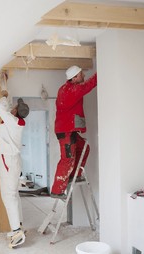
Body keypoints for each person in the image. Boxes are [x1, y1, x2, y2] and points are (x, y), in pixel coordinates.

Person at [51, 65, 97, 199]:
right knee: (67, 159)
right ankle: (57, 190)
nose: (84, 76)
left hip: (69, 130)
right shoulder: (71, 90)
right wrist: (102, 70)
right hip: (66, 132)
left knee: (84, 147)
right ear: (75, 77)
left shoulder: (66, 89)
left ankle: (74, 175)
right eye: (82, 74)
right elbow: (89, 85)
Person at [0, 89, 29, 248]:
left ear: (15, 111)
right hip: (12, 161)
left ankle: (17, 232)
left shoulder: (12, 121)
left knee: (8, 195)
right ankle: (19, 226)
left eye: (14, 107)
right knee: (13, 194)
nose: (12, 107)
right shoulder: (16, 122)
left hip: (9, 161)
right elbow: (6, 111)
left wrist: (4, 95)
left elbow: (0, 107)